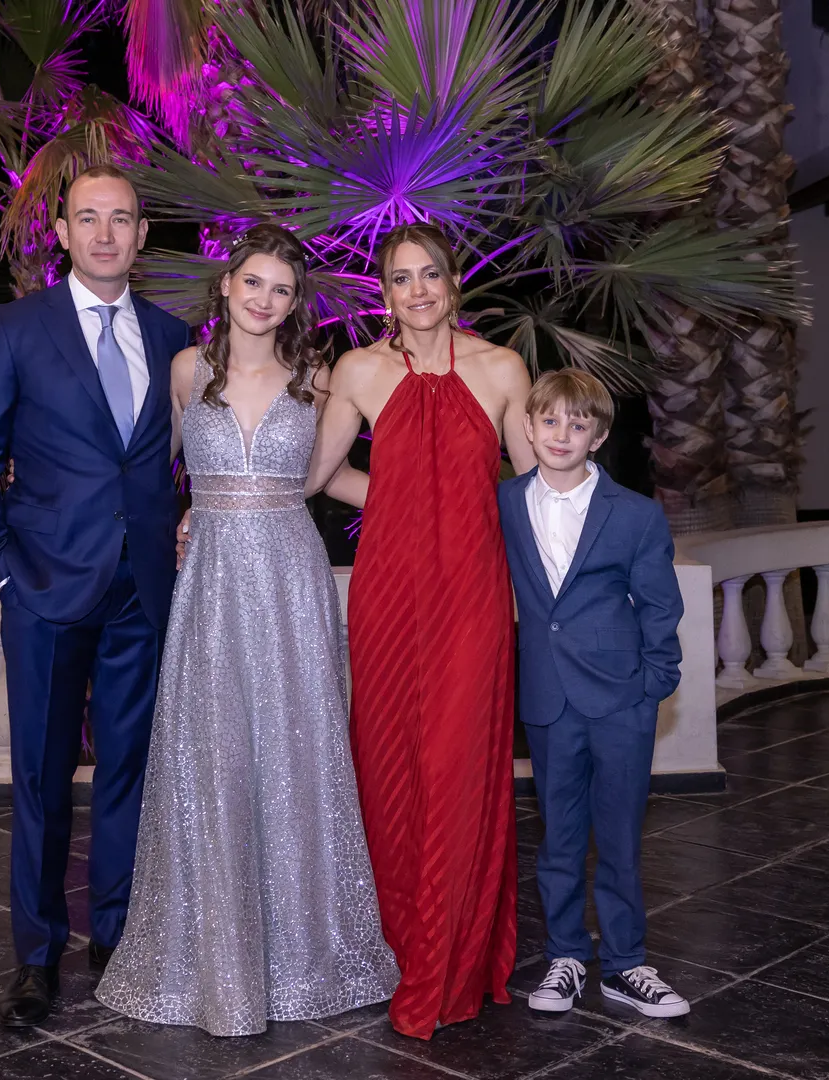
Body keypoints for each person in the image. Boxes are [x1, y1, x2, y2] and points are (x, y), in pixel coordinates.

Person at [94, 224, 400, 1036]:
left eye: (282, 289)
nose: (265, 299)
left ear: (295, 304)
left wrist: (431, 503)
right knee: (214, 754)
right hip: (212, 582)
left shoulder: (318, 377)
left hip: (291, 579)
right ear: (227, 285)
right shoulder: (185, 370)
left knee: (298, 754)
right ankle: (216, 961)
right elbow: (148, 475)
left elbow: (332, 477)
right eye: (254, 282)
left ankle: (304, 956)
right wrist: (172, 517)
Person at [0, 165, 189, 1028]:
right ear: (62, 232)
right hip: (44, 587)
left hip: (142, 591)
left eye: (120, 219)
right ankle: (37, 957)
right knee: (42, 780)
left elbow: (174, 457)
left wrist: (183, 526)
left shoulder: (173, 336)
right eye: (88, 218)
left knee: (129, 770)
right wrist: (0, 569)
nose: (105, 234)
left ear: (142, 234)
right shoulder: (13, 328)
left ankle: (115, 938)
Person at [305, 223, 535, 1040]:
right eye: (400, 279)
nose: (417, 291)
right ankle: (399, 948)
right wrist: (406, 496)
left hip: (473, 594)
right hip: (390, 594)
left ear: (454, 280)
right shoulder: (359, 370)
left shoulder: (501, 367)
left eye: (429, 274)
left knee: (459, 762)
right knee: (391, 762)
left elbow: (531, 487)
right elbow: (319, 475)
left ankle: (454, 956)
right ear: (385, 293)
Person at [496, 368, 689, 1018]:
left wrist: (652, 688)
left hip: (621, 700)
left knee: (620, 836)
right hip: (548, 699)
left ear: (598, 436)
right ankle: (567, 957)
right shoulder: (503, 502)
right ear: (528, 427)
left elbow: (660, 608)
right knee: (558, 838)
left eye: (577, 424)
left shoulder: (634, 514)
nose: (562, 434)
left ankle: (628, 964)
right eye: (549, 420)